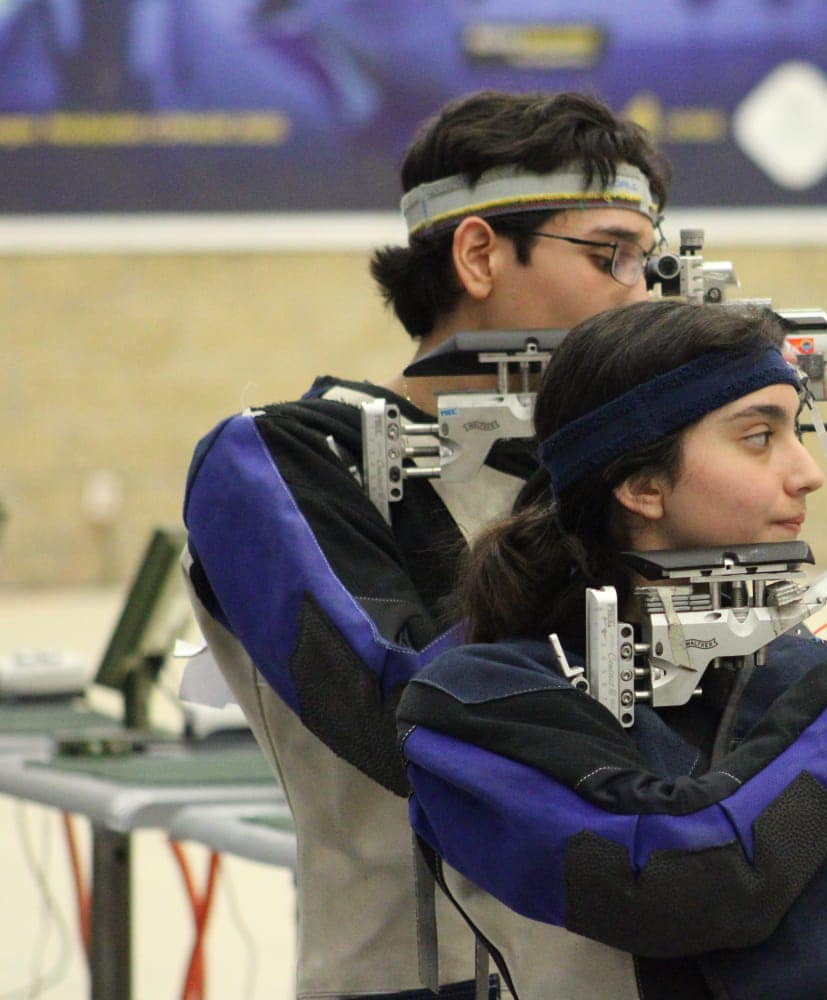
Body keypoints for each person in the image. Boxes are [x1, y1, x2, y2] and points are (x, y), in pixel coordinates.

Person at [397, 299, 827, 999]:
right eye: (760, 437)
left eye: (798, 430)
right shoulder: (474, 707)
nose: (808, 472)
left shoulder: (813, 678)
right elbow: (683, 884)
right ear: (642, 486)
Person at [181, 90, 671, 999]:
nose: (640, 296)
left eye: (653, 262)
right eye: (612, 256)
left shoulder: (613, 471)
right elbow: (405, 711)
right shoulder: (285, 458)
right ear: (479, 254)